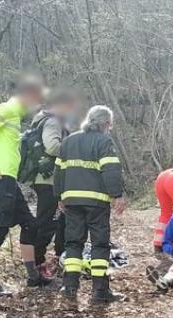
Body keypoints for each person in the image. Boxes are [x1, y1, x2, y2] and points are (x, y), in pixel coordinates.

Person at [0, 78, 52, 296]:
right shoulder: (7, 109)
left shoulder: (14, 115)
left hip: (9, 180)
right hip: (0, 178)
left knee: (30, 224)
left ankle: (33, 277)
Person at [54, 105, 126, 303]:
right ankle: (100, 291)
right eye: (110, 125)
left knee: (73, 243)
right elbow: (111, 170)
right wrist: (117, 195)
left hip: (72, 201)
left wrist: (59, 196)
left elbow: (58, 171)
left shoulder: (69, 141)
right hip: (96, 201)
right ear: (105, 124)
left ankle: (69, 287)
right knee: (99, 244)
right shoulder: (104, 141)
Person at [29, 89, 80, 277]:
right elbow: (52, 146)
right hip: (49, 181)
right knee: (48, 222)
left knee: (60, 221)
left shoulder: (49, 121)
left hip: (52, 180)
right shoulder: (52, 122)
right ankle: (38, 264)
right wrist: (75, 149)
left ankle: (60, 259)